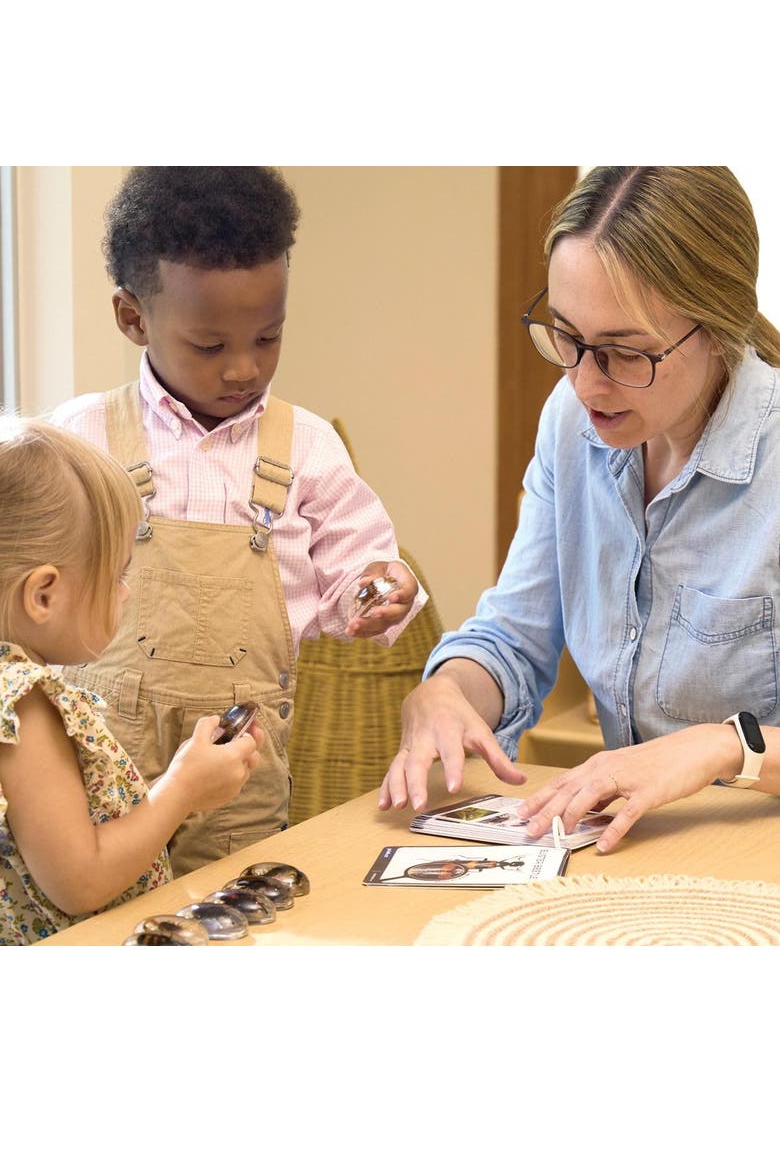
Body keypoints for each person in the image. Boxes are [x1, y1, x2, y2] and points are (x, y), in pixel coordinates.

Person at [379, 165, 780, 852]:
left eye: (625, 353)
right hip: (638, 855)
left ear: (718, 329)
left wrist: (723, 748)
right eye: (566, 336)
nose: (584, 382)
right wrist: (447, 692)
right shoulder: (573, 422)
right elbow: (514, 637)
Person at [50, 166, 425, 877]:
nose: (244, 369)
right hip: (99, 766)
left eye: (268, 337)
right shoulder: (80, 437)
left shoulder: (306, 445)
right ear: (133, 317)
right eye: (210, 345)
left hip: (238, 768)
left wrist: (378, 590)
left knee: (233, 909)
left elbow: (362, 564)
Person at [0, 420, 262, 945]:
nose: (124, 594)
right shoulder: (24, 706)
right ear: (43, 595)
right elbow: (81, 880)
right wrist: (182, 790)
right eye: (117, 576)